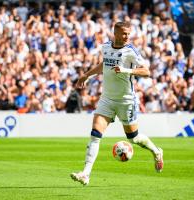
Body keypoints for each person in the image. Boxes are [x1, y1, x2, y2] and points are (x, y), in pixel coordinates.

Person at [70, 21, 164, 185]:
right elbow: (104, 65)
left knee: (133, 138)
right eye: (123, 33)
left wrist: (127, 70)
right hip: (107, 99)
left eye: (128, 33)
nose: (127, 36)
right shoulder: (106, 47)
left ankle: (156, 152)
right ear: (115, 32)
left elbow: (146, 71)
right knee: (95, 135)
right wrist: (86, 75)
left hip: (126, 100)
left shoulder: (131, 51)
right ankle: (85, 174)